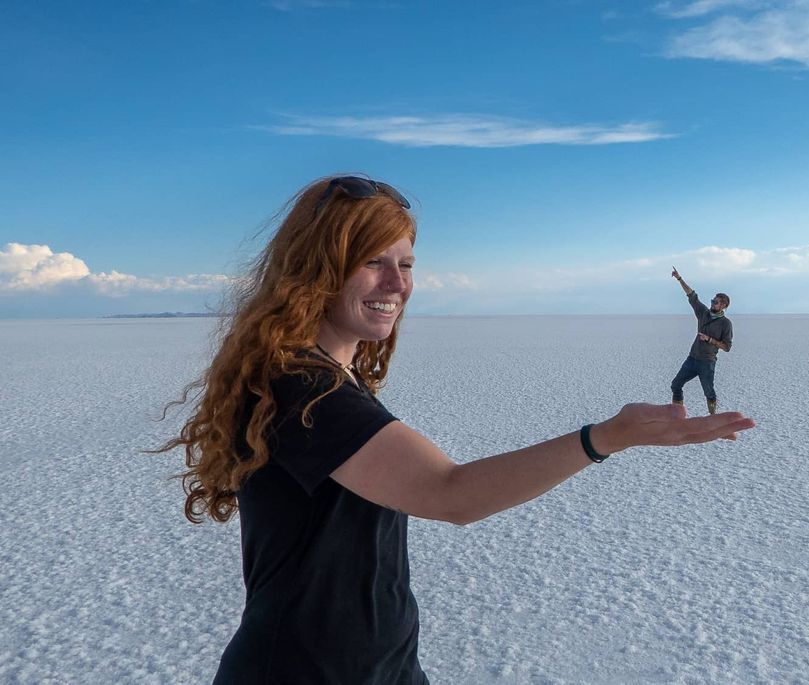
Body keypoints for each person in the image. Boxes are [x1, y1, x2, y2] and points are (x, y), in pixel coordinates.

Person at [157, 175, 755, 684]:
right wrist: (606, 437)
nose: (397, 284)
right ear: (315, 271)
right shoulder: (305, 390)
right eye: (372, 262)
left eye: (406, 264)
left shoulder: (326, 375)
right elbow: (451, 493)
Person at [668, 266, 733, 415]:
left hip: (707, 362)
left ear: (723, 306)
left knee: (709, 393)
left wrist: (710, 339)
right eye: (712, 301)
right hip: (692, 359)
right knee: (676, 385)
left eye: (716, 302)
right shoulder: (703, 313)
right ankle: (678, 414)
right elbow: (691, 295)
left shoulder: (726, 323)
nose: (712, 303)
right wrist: (679, 278)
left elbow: (727, 347)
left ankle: (713, 416)